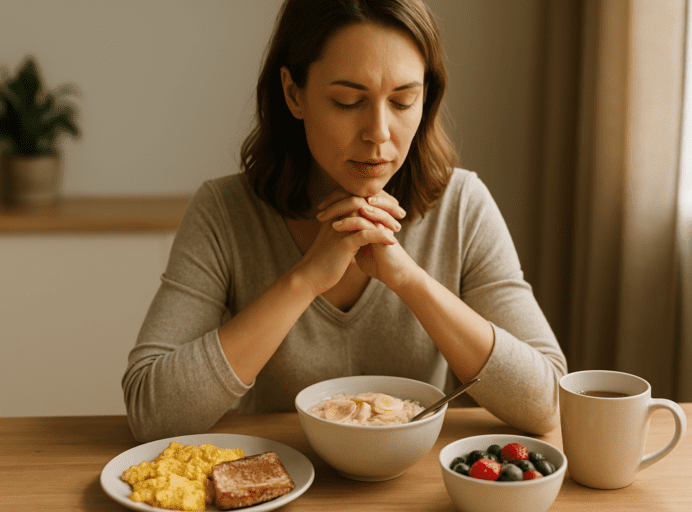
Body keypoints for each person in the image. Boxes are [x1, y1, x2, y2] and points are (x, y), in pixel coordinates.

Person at [122, 0, 567, 443]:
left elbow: (546, 400)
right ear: (294, 93)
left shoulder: (463, 205)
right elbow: (152, 412)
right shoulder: (223, 211)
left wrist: (408, 279)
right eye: (348, 101)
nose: (378, 132)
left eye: (403, 101)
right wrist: (304, 279)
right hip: (280, 482)